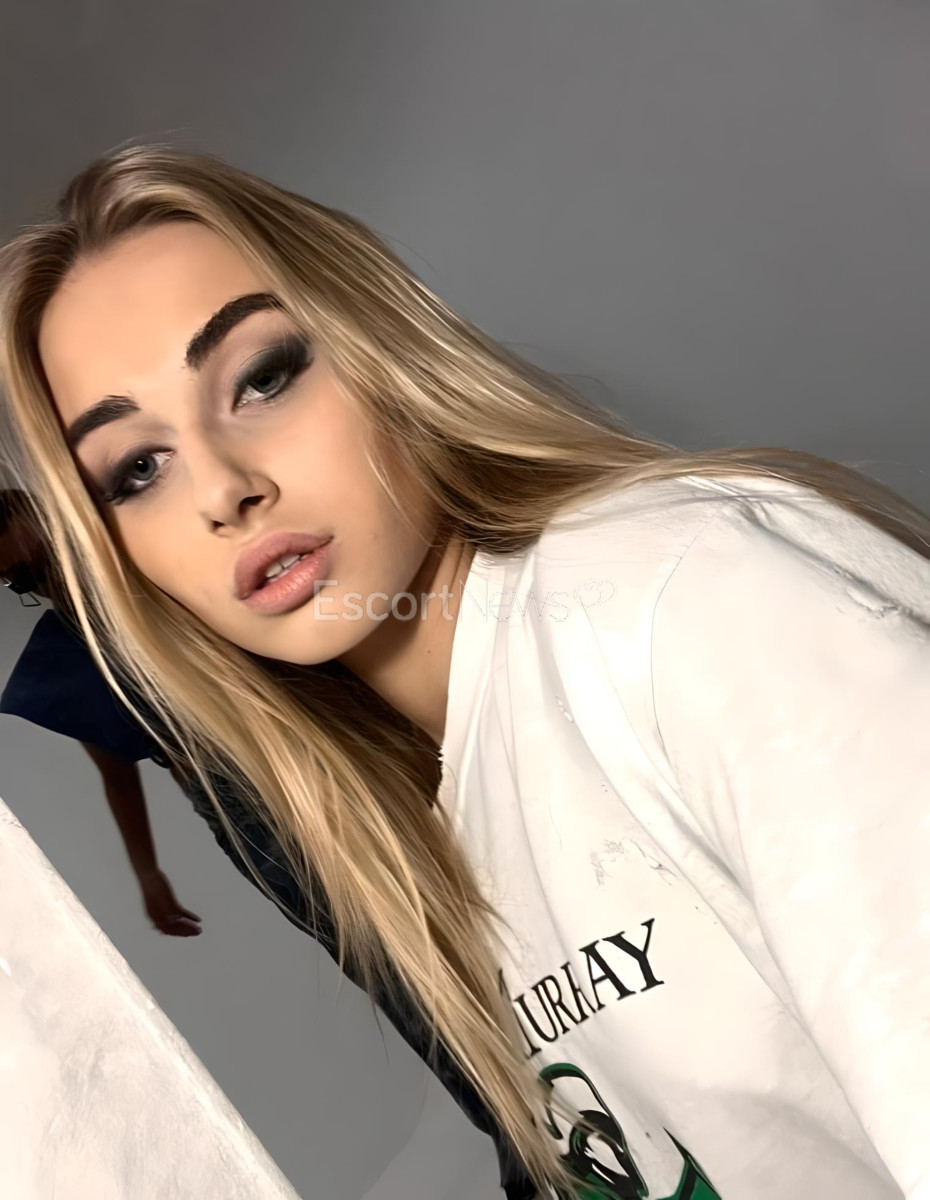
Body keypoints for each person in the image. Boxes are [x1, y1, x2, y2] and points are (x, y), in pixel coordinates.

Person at [0, 141, 926, 1200]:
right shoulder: (415, 824)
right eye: (137, 469)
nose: (222, 488)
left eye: (262, 378)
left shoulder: (689, 602)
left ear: (381, 347)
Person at [0, 486, 537, 1199]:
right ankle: (521, 1137)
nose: (36, 582)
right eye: (21, 579)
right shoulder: (68, 651)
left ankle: (564, 1103)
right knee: (387, 966)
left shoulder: (160, 561)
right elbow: (116, 764)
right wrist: (148, 872)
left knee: (483, 901)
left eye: (32, 558)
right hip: (241, 804)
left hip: (324, 744)